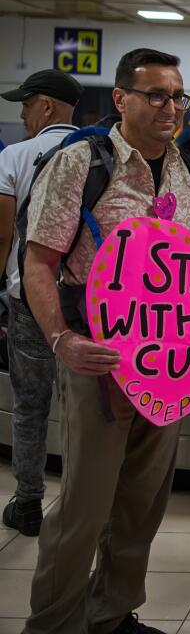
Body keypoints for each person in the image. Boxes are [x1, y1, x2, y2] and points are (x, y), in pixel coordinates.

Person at [21, 48, 190, 634]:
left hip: (171, 365)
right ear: (121, 98)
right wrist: (61, 339)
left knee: (142, 502)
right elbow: (39, 262)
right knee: (85, 507)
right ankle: (54, 624)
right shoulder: (83, 162)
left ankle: (111, 614)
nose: (171, 107)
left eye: (178, 96)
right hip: (98, 358)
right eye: (156, 94)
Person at [0, 69, 82, 537]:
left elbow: (2, 233)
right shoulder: (97, 152)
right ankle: (79, 503)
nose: (22, 113)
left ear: (47, 106)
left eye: (27, 104)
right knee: (82, 409)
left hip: (28, 297)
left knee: (30, 405)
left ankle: (28, 502)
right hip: (82, 302)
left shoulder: (15, 156)